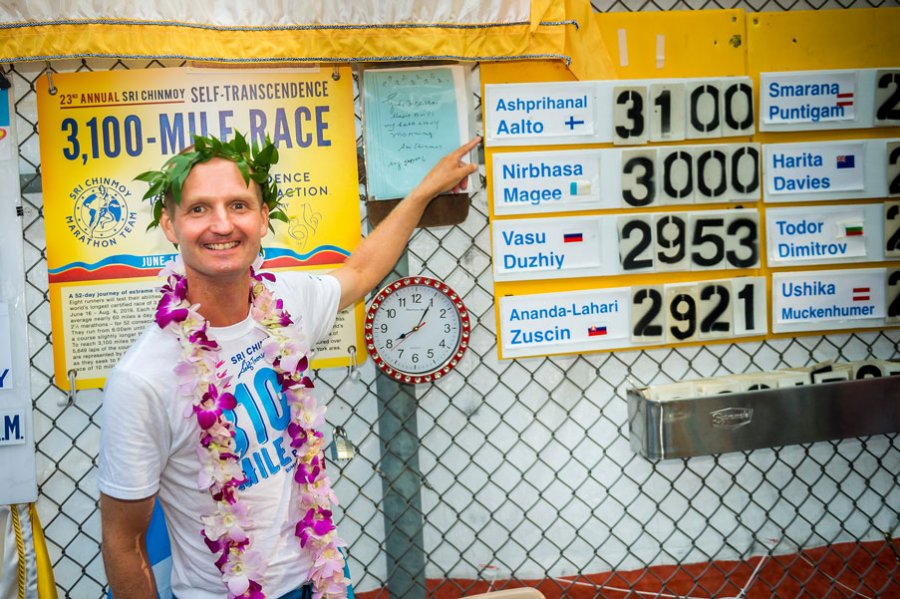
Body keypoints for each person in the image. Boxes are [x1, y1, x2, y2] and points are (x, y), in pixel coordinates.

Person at [98, 133, 480, 599]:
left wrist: (421, 192)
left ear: (262, 219)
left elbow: (360, 271)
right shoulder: (142, 378)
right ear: (170, 224)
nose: (221, 224)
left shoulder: (286, 303)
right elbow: (123, 541)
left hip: (318, 580)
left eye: (238, 205)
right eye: (199, 209)